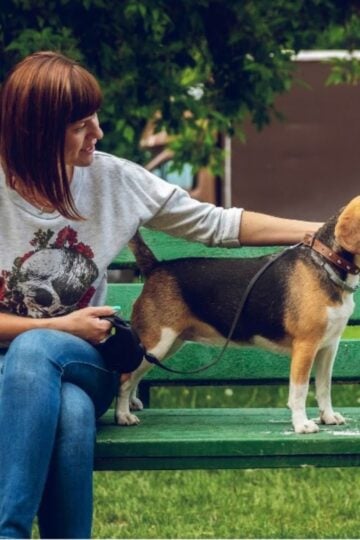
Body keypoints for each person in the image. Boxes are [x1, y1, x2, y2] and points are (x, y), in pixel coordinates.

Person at [0, 50, 322, 539]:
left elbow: (218, 224)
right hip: (16, 370)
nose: (99, 133)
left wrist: (321, 232)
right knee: (69, 414)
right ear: (38, 129)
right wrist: (54, 325)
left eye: (96, 118)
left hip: (89, 357)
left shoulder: (113, 179)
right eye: (81, 124)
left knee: (36, 352)